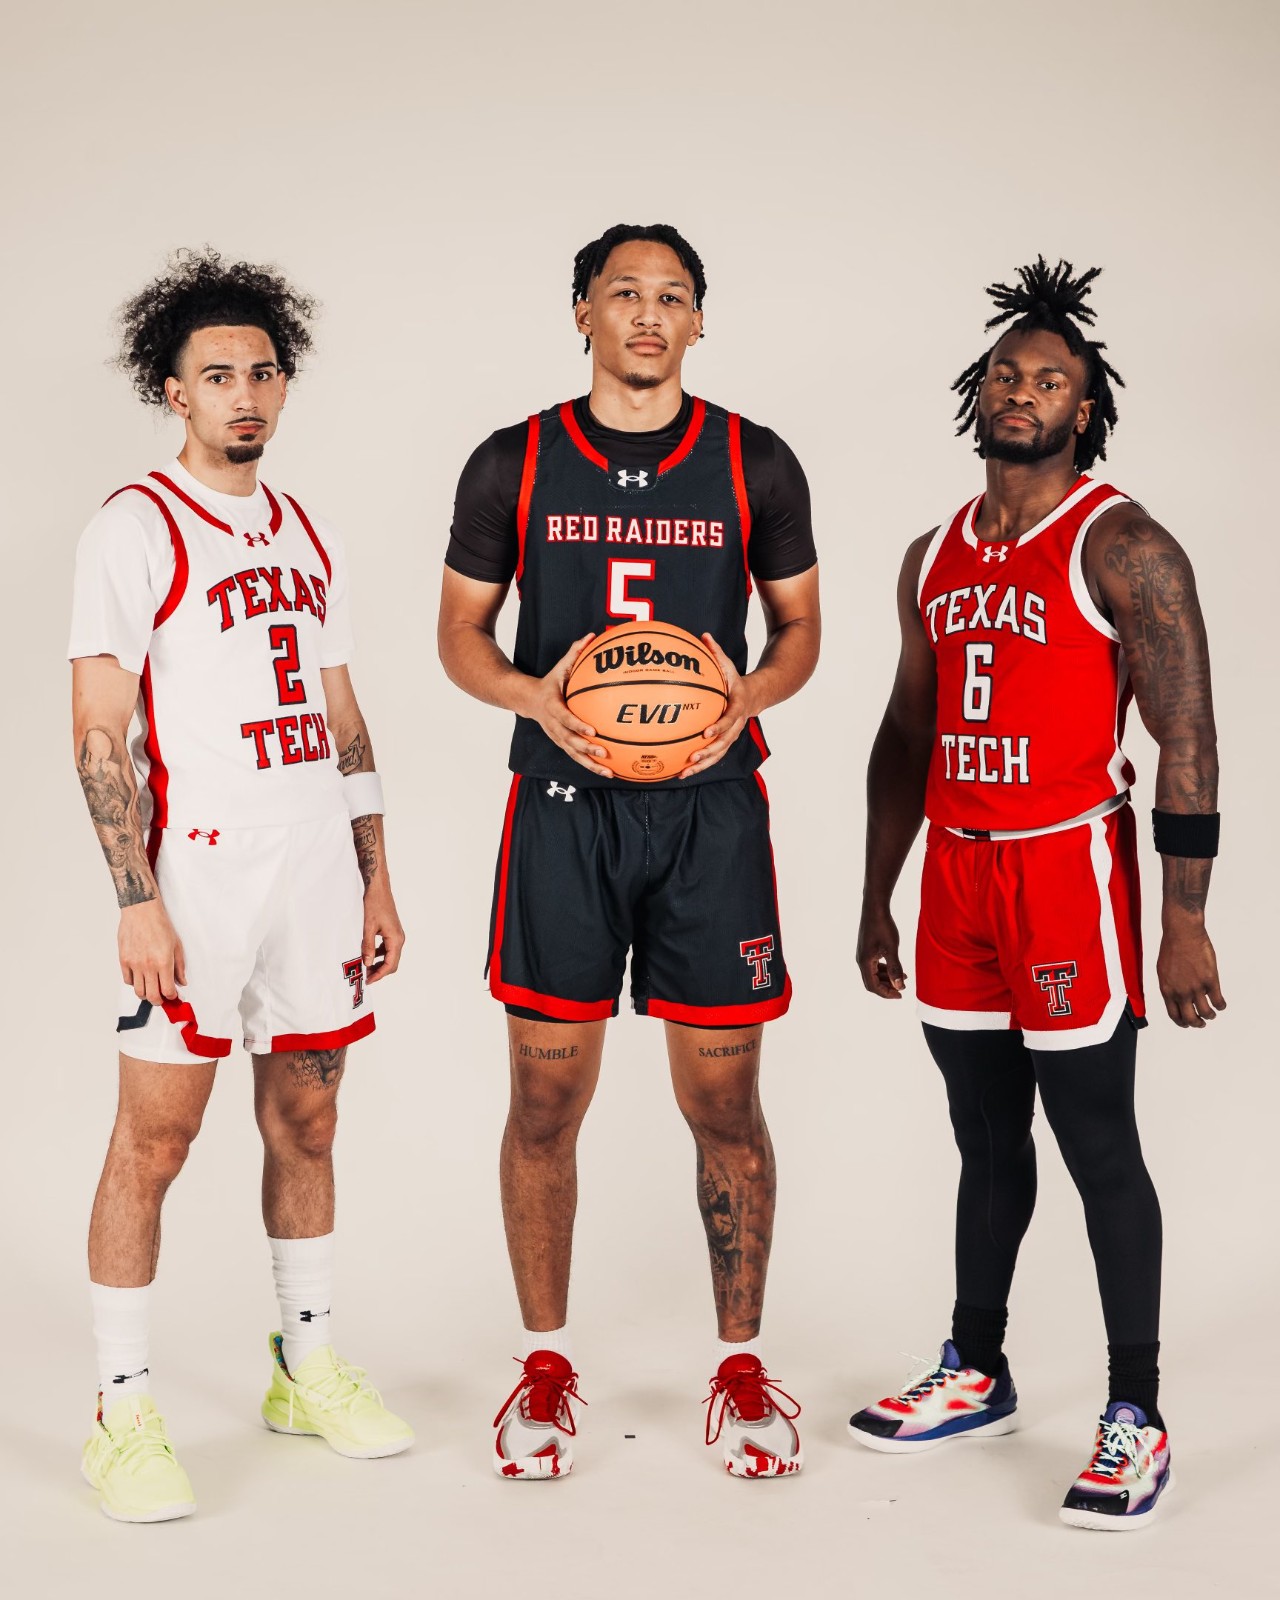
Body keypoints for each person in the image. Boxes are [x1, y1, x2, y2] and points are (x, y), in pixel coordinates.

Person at [438, 223, 821, 1478]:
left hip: (710, 815)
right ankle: (544, 1365)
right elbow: (459, 635)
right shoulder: (514, 460)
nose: (647, 314)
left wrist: (745, 696)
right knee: (544, 1102)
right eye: (622, 293)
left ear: (698, 320)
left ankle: (739, 1368)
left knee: (725, 1104)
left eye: (672, 296)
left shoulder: (754, 460)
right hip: (562, 810)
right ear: (582, 314)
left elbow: (799, 628)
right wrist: (534, 699)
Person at [847, 258, 1223, 1530]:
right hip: (956, 871)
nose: (1020, 391)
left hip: (1066, 866)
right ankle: (976, 1366)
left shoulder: (1124, 544)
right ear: (978, 392)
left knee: (1095, 1141)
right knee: (982, 1135)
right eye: (1004, 374)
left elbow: (1185, 734)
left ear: (1084, 405)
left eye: (1048, 380)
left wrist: (1181, 918)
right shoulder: (932, 554)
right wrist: (876, 893)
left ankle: (1135, 1412)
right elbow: (906, 731)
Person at [70, 249, 412, 1523]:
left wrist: (376, 876)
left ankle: (304, 1364)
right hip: (200, 874)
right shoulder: (134, 526)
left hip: (314, 867)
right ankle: (121, 1410)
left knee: (308, 1122)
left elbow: (342, 717)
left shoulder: (306, 528)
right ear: (174, 393)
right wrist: (134, 895)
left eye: (263, 372)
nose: (246, 394)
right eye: (217, 376)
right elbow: (98, 727)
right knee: (154, 1140)